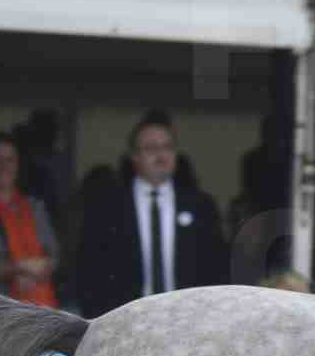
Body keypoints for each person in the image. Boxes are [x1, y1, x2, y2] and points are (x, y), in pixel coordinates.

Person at [75, 109, 228, 318]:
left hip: (189, 319)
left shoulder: (200, 205)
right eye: (151, 148)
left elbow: (216, 268)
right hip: (125, 319)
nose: (161, 155)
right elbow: (89, 269)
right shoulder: (107, 206)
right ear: (134, 157)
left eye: (167, 147)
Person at [0, 132, 60, 307]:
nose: (4, 166)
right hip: (1, 313)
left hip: (45, 309)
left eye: (10, 160)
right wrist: (19, 269)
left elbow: (54, 255)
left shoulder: (35, 206)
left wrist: (42, 269)